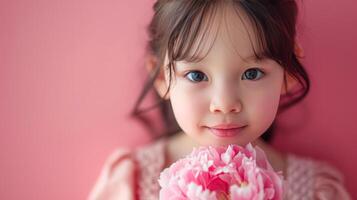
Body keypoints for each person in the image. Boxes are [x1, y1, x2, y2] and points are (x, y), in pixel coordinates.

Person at [87, 1, 352, 199]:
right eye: (196, 75)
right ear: (162, 78)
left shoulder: (315, 190)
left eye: (252, 73)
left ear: (288, 73)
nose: (224, 103)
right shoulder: (132, 183)